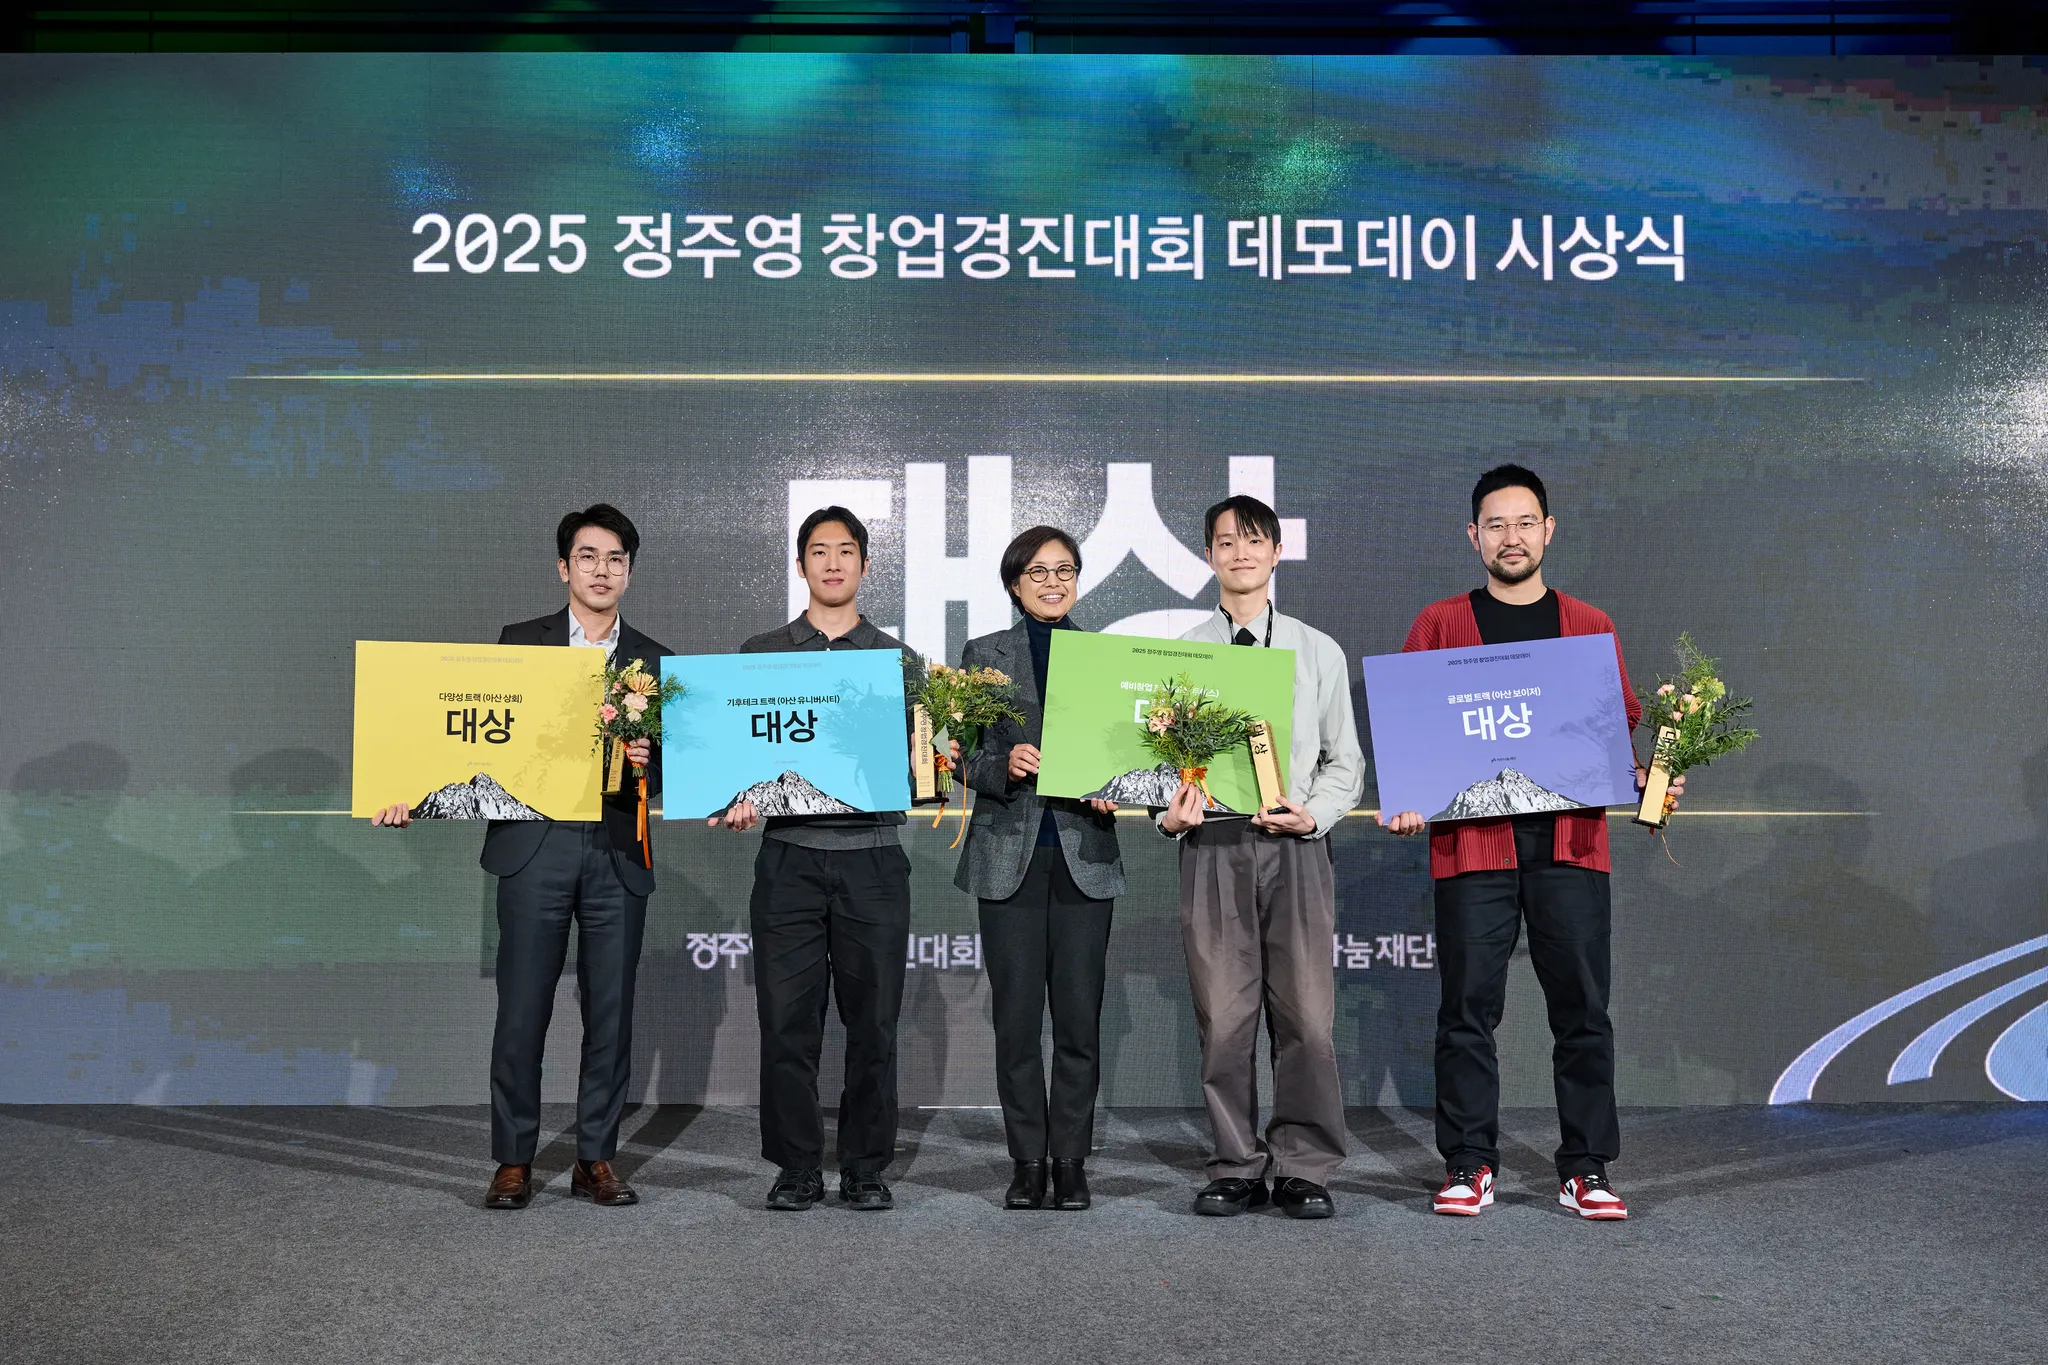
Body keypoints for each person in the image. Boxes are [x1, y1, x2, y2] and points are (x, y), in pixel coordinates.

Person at [1383, 464, 1681, 1222]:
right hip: (1472, 849)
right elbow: (1414, 729)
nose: (1510, 537)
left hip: (1570, 846)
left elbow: (1613, 731)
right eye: (1495, 525)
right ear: (1473, 536)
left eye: (1524, 523)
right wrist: (1410, 795)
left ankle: (1586, 1166)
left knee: (1583, 1010)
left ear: (1548, 530)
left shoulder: (1589, 624)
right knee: (1466, 1011)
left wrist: (1650, 781)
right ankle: (1469, 1161)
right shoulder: (1439, 624)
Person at [374, 504, 669, 1212]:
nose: (602, 570)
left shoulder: (654, 660)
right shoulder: (518, 643)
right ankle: (513, 1159)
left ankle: (596, 1157)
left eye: (616, 559)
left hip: (615, 849)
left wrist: (647, 763)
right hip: (534, 843)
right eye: (588, 557)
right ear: (564, 567)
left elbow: (675, 767)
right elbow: (474, 736)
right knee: (522, 1009)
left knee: (611, 1012)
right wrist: (408, 788)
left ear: (629, 571)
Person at [1158, 495, 1365, 1219]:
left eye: (1253, 541)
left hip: (1296, 845)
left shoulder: (1317, 649)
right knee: (1223, 1017)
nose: (1240, 553)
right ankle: (1235, 1163)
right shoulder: (1181, 655)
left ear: (1277, 552)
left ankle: (1304, 1164)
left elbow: (1345, 762)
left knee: (1307, 1016)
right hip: (1213, 845)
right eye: (1226, 542)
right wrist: (1167, 815)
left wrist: (1317, 814)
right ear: (1208, 556)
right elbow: (1158, 766)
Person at [711, 506, 915, 1213]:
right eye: (819, 551)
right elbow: (739, 756)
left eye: (846, 551)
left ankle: (865, 1166)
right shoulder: (762, 653)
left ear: (865, 564)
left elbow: (915, 771)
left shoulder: (897, 660)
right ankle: (796, 1165)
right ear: (800, 565)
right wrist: (738, 797)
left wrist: (935, 761)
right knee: (786, 1024)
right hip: (789, 859)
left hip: (873, 860)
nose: (833, 562)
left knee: (875, 1025)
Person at [955, 526, 1124, 1211]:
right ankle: (1027, 1161)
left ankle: (1071, 1161)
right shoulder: (983, 655)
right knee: (1018, 1022)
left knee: (1080, 1022)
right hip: (1008, 855)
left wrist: (1118, 786)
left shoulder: (1107, 657)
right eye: (1038, 572)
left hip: (1085, 855)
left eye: (1065, 571)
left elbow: (1130, 755)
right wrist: (1003, 764)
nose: (1053, 583)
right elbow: (958, 757)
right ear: (1014, 584)